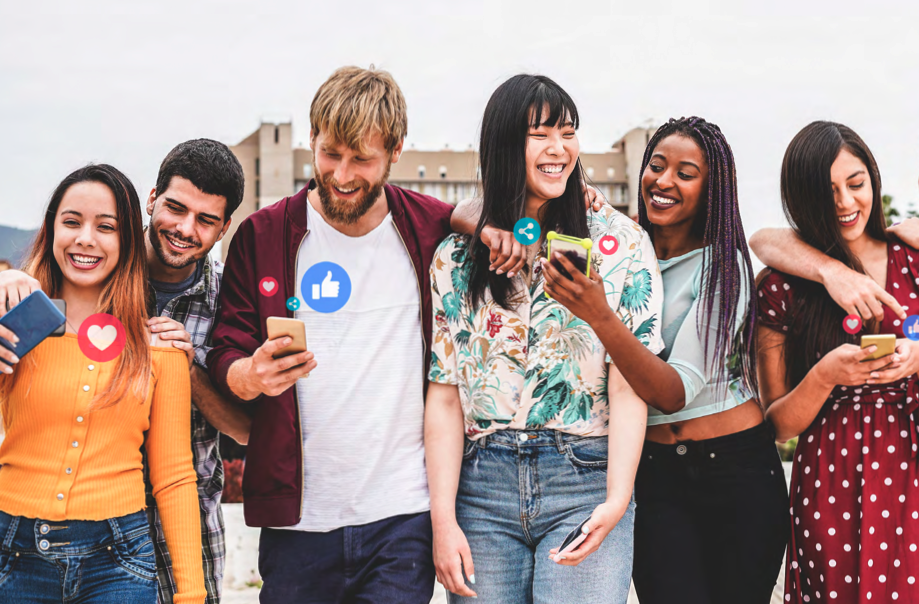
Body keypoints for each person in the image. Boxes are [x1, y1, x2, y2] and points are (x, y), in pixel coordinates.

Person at [454, 114, 788, 602]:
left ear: (711, 189)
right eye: (656, 165)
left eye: (686, 173)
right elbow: (463, 208)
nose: (664, 181)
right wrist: (491, 231)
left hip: (734, 473)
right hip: (655, 473)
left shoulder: (722, 264)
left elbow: (673, 393)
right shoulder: (622, 246)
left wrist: (599, 313)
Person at [206, 66, 454, 603]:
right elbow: (225, 344)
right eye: (329, 153)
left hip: (403, 518)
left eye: (361, 159)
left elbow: (491, 220)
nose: (341, 174)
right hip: (296, 522)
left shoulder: (431, 227)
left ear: (396, 152)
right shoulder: (262, 234)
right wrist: (249, 375)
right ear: (312, 141)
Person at [0, 139, 252, 604]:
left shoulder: (210, 307)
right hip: (12, 549)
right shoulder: (21, 322)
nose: (87, 238)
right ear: (151, 203)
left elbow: (185, 468)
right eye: (72, 222)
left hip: (131, 546)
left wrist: (184, 369)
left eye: (206, 220)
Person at [426, 74, 662, 604]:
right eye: (541, 134)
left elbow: (629, 385)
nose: (559, 148)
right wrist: (443, 520)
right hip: (481, 490)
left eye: (569, 132)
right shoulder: (456, 257)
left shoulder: (620, 243)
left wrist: (617, 499)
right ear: (504, 145)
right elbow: (444, 394)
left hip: (584, 481)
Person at [754, 121, 919, 602]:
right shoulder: (783, 284)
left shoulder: (911, 258)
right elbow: (777, 424)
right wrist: (826, 374)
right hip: (830, 474)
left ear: (874, 179)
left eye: (856, 184)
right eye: (827, 192)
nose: (846, 204)